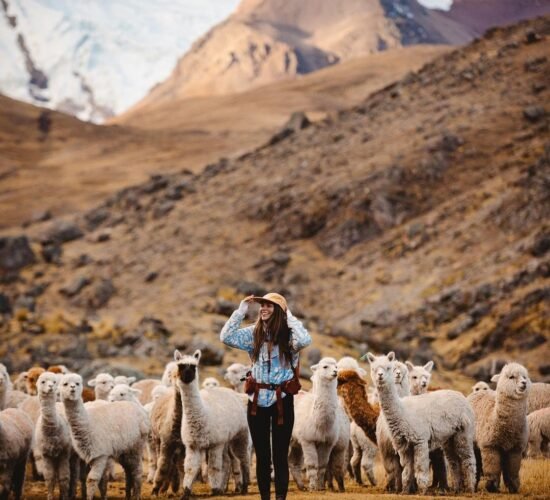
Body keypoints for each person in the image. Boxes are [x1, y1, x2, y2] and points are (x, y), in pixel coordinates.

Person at [220, 292, 311, 500]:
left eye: (270, 305)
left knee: (280, 455)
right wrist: (241, 310)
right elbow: (225, 337)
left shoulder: (290, 337)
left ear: (279, 310)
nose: (264, 308)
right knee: (262, 457)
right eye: (262, 305)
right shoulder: (254, 334)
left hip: (282, 401)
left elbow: (306, 339)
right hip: (257, 401)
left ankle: (280, 497)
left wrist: (289, 317)